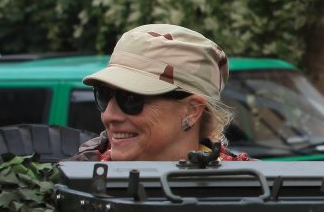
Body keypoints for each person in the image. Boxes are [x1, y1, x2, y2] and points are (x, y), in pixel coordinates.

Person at [71, 23, 251, 162]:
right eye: (103, 95)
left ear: (192, 111)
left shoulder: (249, 188)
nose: (109, 116)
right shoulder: (74, 181)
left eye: (131, 99)